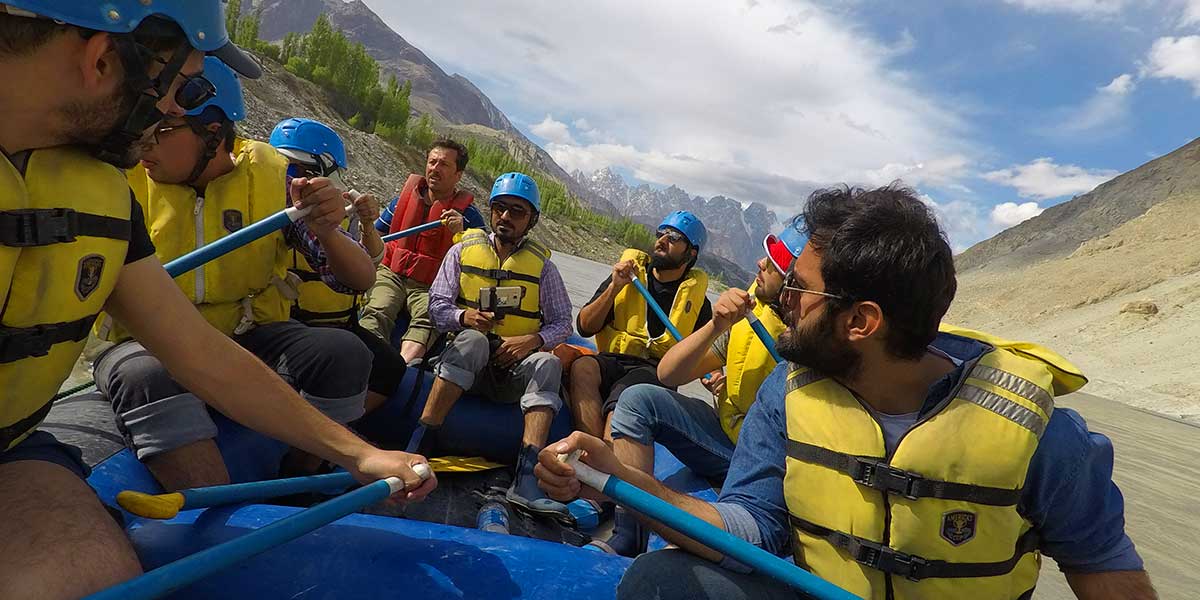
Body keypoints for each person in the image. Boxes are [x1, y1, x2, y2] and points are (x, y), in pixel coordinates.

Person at [0, 3, 432, 598]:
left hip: (13, 445)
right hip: (105, 381)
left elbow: (200, 350)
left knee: (97, 574)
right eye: (183, 85)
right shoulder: (121, 181)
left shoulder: (94, 188)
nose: (173, 110)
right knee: (142, 371)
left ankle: (286, 486)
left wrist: (359, 455)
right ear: (102, 60)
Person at [537, 185, 1156, 600]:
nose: (786, 299)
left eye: (801, 289)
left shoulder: (1043, 436)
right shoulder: (790, 392)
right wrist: (619, 475)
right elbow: (751, 526)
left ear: (861, 321)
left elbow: (1110, 577)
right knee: (660, 580)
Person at [93, 57, 384, 491]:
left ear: (212, 133)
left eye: (163, 132)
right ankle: (216, 510)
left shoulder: (275, 181)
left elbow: (357, 280)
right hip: (147, 340)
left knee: (345, 351)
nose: (145, 145)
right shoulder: (120, 179)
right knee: (145, 375)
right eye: (145, 128)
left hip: (248, 331)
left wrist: (327, 231)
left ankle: (302, 477)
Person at [587, 218, 801, 557]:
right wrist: (717, 324)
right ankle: (628, 531)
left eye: (774, 260)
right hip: (726, 434)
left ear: (796, 283)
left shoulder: (811, 343)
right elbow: (670, 373)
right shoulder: (749, 316)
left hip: (760, 457)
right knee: (638, 399)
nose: (760, 263)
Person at [409, 172, 572, 518]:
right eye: (499, 208)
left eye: (517, 211)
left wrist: (534, 339)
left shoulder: (544, 269)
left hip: (511, 371)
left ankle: (527, 475)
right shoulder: (461, 252)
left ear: (532, 220)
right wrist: (463, 317)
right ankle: (421, 442)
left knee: (549, 363)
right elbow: (437, 306)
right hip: (464, 361)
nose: (505, 218)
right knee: (471, 340)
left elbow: (562, 323)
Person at [269, 116, 407, 414]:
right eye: (283, 170)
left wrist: (368, 225)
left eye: (295, 171)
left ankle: (326, 442)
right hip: (287, 323)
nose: (289, 181)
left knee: (391, 367)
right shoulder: (262, 207)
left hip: (339, 322)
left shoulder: (343, 211)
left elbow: (371, 262)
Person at [571, 210, 712, 441]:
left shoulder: (697, 304)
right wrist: (614, 287)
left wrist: (713, 376)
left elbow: (708, 352)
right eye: (661, 233)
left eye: (674, 237)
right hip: (614, 360)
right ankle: (592, 447)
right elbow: (585, 326)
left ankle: (603, 456)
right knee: (582, 367)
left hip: (655, 371)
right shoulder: (627, 277)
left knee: (626, 393)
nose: (662, 240)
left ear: (691, 253)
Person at [359, 139, 485, 365]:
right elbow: (374, 239)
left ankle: (400, 367)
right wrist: (366, 226)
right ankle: (365, 361)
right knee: (378, 308)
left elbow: (483, 261)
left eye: (444, 164)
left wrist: (463, 233)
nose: (435, 168)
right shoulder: (401, 202)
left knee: (429, 318)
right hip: (392, 274)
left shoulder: (470, 216)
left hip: (433, 285)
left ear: (458, 175)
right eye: (432, 162)